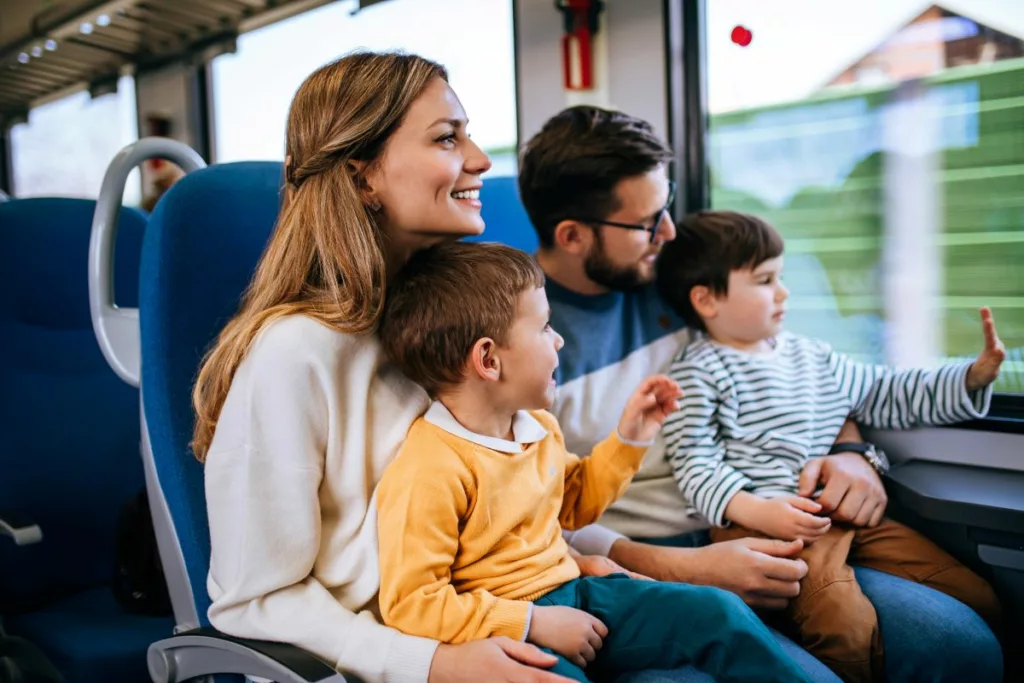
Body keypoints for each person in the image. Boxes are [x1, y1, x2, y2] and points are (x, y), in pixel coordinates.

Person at [517, 104, 1005, 683]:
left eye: (667, 206)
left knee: (962, 646)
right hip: (645, 562)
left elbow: (787, 367)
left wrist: (852, 452)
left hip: (773, 518)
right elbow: (533, 512)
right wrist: (689, 566)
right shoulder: (522, 332)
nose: (669, 232)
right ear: (573, 235)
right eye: (649, 222)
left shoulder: (677, 275)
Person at [194, 51, 588, 683]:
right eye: (446, 138)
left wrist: (625, 559)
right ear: (362, 178)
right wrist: (434, 664)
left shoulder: (458, 327)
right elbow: (253, 597)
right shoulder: (294, 356)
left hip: (505, 617)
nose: (482, 159)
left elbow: (511, 515)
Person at [374, 241, 814, 683]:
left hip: (579, 591)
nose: (559, 339)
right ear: (489, 359)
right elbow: (413, 604)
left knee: (717, 610)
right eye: (545, 328)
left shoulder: (537, 426)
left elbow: (575, 505)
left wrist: (629, 438)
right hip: (505, 627)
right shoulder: (430, 469)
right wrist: (533, 623)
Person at [655, 209, 1003, 682]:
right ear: (707, 300)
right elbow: (695, 461)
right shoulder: (699, 370)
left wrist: (968, 377)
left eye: (780, 276)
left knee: (972, 592)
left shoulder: (811, 355)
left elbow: (886, 392)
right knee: (843, 623)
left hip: (837, 514)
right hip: (763, 530)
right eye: (764, 280)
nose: (784, 291)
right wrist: (760, 511)